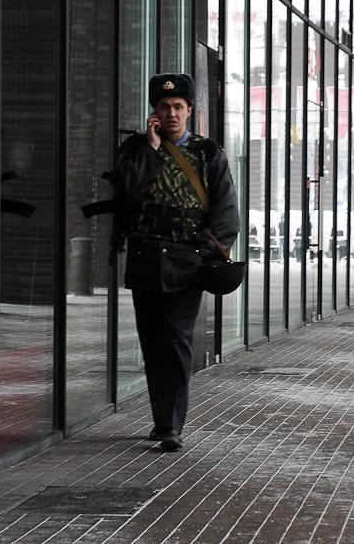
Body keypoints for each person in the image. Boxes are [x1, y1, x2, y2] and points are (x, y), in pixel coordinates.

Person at [110, 73, 239, 452]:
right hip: (145, 258)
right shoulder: (135, 149)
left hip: (187, 261)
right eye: (164, 107)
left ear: (190, 111)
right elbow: (125, 190)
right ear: (154, 112)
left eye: (178, 107)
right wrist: (150, 149)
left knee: (177, 339)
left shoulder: (207, 152)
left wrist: (204, 251)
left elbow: (226, 211)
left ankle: (171, 425)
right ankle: (161, 418)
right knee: (152, 342)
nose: (171, 114)